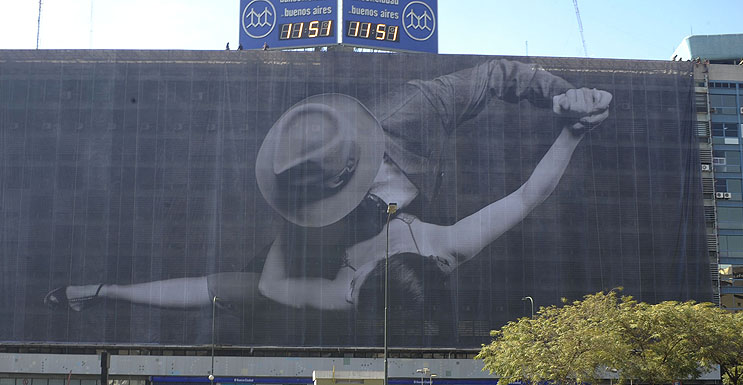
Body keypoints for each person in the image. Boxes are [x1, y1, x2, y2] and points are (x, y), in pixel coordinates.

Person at [43, 59, 611, 314]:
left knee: (220, 288)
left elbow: (260, 285)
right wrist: (572, 125)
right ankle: (103, 291)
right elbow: (528, 195)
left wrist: (292, 225)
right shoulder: (443, 245)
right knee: (218, 288)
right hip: (304, 227)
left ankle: (104, 291)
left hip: (295, 254)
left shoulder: (343, 287)